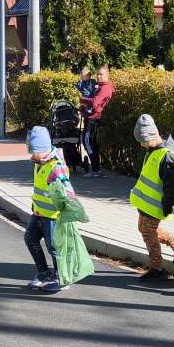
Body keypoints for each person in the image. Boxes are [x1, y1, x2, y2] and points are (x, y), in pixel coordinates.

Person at [130, 114, 174, 279]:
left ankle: (157, 269)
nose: (141, 145)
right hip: (146, 203)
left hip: (156, 205)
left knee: (148, 233)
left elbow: (171, 185)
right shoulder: (152, 151)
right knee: (143, 229)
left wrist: (168, 204)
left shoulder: (166, 155)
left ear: (150, 136)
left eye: (142, 141)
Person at [24, 126, 76, 292]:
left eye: (34, 151)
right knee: (30, 238)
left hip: (53, 216)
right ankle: (43, 273)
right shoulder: (39, 163)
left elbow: (68, 192)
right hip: (39, 213)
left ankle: (61, 278)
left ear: (43, 149)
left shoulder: (56, 167)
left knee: (54, 247)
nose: (32, 155)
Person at [79, 66, 114, 178]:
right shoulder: (101, 86)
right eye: (98, 74)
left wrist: (82, 99)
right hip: (91, 116)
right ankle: (96, 169)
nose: (99, 76)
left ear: (107, 75)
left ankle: (95, 170)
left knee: (87, 142)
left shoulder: (105, 88)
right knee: (90, 142)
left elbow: (95, 102)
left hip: (93, 118)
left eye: (101, 74)